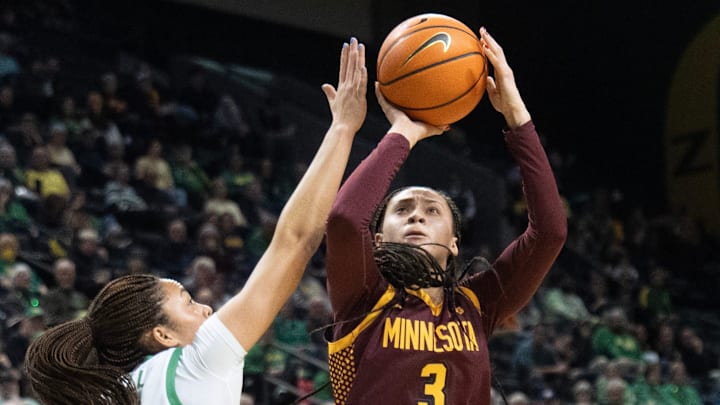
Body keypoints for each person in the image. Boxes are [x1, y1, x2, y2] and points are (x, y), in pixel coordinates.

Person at [23, 37, 368, 405]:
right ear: (163, 335)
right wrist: (343, 128)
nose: (204, 307)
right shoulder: (196, 359)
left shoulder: (119, 393)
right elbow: (296, 240)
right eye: (187, 303)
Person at [324, 28, 566, 404]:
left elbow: (550, 231)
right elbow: (343, 220)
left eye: (431, 210)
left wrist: (516, 114)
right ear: (377, 239)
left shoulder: (477, 303)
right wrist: (402, 132)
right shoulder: (363, 294)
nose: (416, 217)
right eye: (402, 210)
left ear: (455, 242)